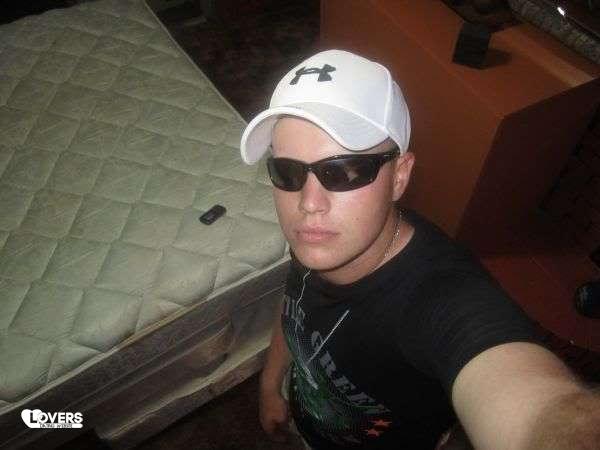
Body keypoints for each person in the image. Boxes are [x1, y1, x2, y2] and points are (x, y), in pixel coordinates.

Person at [239, 49, 600, 449]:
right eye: (287, 172)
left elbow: (536, 412)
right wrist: (270, 382)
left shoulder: (444, 298)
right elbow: (294, 304)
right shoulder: (320, 238)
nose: (308, 204)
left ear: (400, 176)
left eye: (343, 172)